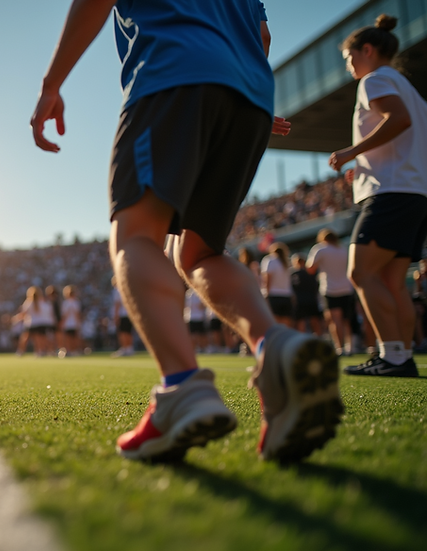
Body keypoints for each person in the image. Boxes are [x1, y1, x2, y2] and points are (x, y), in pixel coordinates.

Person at [32, 0, 341, 462]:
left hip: (172, 72)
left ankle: (182, 386)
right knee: (197, 255)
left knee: (136, 235)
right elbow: (262, 35)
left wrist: (51, 84)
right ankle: (274, 346)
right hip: (250, 93)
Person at [329, 14, 427, 377]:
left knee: (361, 272)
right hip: (413, 191)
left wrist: (351, 152)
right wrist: (366, 160)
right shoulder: (407, 86)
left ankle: (394, 357)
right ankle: (400, 355)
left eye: (349, 57)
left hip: (392, 192)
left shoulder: (375, 79)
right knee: (391, 280)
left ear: (366, 50)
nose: (349, 65)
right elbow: (405, 130)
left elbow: (397, 119)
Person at [306, 230, 353, 354]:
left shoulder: (320, 249)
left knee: (335, 320)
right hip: (346, 288)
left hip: (330, 289)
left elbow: (310, 268)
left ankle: (340, 348)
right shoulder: (342, 249)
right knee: (346, 320)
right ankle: (350, 346)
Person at [13, 286, 55, 357]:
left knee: (26, 337)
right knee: (40, 338)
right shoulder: (43, 302)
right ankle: (41, 351)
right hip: (41, 323)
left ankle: (21, 351)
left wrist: (15, 318)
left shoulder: (28, 302)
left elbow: (24, 314)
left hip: (31, 323)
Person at [289, 254, 323, 338]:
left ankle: (304, 340)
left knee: (303, 322)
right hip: (311, 299)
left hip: (301, 301)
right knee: (314, 321)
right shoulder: (310, 272)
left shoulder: (294, 274)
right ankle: (318, 339)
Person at [260, 242, 294, 327]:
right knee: (287, 324)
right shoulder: (286, 262)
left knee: (276, 324)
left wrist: (266, 295)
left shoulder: (270, 260)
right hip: (286, 296)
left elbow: (267, 279)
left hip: (274, 296)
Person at [110, 278, 133, 357]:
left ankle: (125, 348)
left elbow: (117, 304)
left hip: (122, 314)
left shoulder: (117, 291)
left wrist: (116, 316)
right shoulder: (126, 289)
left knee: (122, 332)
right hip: (129, 314)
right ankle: (129, 349)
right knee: (128, 332)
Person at [59, 284, 82, 356]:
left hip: (68, 323)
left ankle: (70, 350)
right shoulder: (75, 302)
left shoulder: (66, 303)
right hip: (74, 323)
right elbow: (77, 314)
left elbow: (65, 315)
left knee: (69, 338)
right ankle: (74, 350)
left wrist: (62, 323)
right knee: (74, 338)